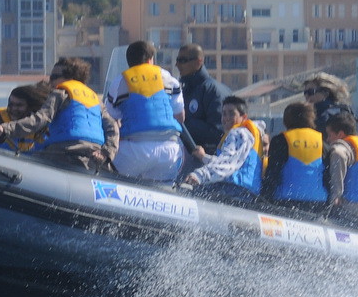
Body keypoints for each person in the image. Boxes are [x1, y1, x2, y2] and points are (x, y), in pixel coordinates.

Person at [0, 57, 119, 173]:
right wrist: (106, 153)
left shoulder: (60, 93)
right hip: (94, 155)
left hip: (65, 151)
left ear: (69, 77)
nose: (50, 81)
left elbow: (40, 119)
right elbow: (113, 128)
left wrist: (6, 128)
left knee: (27, 165)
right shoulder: (96, 100)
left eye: (54, 77)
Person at [105, 41, 186, 182]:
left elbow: (111, 119)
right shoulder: (169, 79)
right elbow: (180, 117)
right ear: (150, 59)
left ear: (129, 62)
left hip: (134, 150)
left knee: (111, 177)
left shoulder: (119, 82)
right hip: (169, 150)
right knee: (163, 187)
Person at [180, 96, 265, 201]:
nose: (227, 118)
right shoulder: (248, 134)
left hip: (237, 193)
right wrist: (203, 157)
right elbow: (229, 162)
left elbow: (227, 164)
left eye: (231, 114)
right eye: (224, 114)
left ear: (244, 117)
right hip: (247, 194)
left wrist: (199, 175)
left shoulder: (239, 133)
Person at [261, 102, 328, 213]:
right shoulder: (322, 142)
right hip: (318, 202)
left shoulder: (280, 140)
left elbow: (273, 173)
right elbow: (327, 175)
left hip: (286, 201)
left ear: (286, 120)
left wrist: (264, 198)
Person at [175, 44, 224, 155]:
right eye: (177, 60)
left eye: (182, 60)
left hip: (206, 158)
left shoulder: (212, 91)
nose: (177, 65)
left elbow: (219, 133)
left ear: (198, 62)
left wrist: (185, 124)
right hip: (187, 155)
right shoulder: (185, 90)